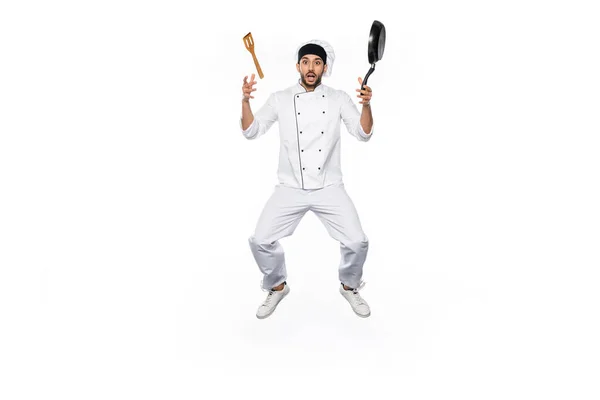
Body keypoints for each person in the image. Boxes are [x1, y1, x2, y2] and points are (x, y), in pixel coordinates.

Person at [240, 39, 374, 319]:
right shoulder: (280, 98)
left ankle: (349, 286)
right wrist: (245, 101)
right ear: (298, 66)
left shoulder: (338, 98)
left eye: (316, 62)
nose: (310, 68)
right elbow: (252, 130)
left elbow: (363, 134)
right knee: (260, 239)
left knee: (358, 241)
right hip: (290, 187)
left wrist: (366, 105)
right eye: (305, 62)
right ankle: (276, 287)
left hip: (329, 186)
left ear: (325, 67)